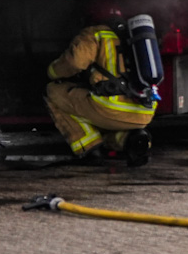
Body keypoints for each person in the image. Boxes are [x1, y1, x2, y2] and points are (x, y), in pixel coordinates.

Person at [44, 22, 157, 163]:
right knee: (106, 121)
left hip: (111, 108)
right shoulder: (136, 34)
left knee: (53, 91)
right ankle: (131, 140)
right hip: (145, 112)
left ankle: (89, 147)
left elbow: (75, 62)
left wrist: (52, 72)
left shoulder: (97, 33)